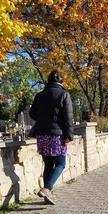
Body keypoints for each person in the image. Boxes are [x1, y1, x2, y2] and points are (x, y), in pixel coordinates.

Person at [29, 70, 73, 205]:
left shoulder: (39, 95)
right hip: (57, 135)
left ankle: (48, 195)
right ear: (61, 81)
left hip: (42, 135)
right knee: (60, 163)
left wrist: (43, 120)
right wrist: (69, 135)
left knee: (48, 163)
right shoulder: (64, 94)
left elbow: (32, 113)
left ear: (48, 81)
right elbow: (68, 117)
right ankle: (47, 189)